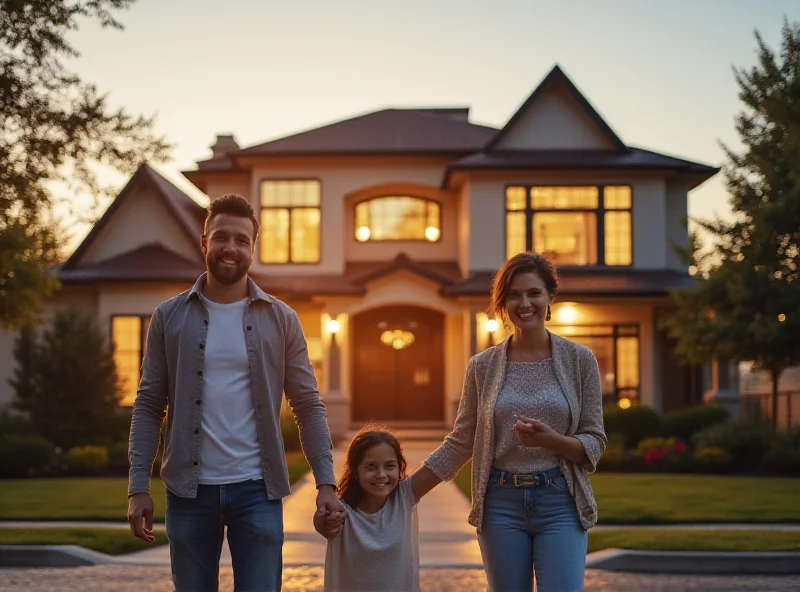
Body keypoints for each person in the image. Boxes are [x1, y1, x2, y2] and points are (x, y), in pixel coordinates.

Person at [126, 193, 343, 592]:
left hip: (257, 490)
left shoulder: (281, 319)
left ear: (253, 249)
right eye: (221, 237)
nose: (231, 248)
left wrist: (325, 483)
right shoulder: (168, 317)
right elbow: (148, 405)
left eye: (242, 240)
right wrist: (138, 485)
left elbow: (308, 405)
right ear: (204, 242)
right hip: (188, 493)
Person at [415, 252, 608, 591]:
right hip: (500, 504)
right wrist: (404, 493)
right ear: (502, 303)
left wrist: (551, 441)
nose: (525, 303)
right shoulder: (482, 366)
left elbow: (594, 441)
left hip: (560, 501)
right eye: (514, 295)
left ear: (550, 297)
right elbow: (462, 440)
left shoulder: (580, 360)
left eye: (534, 293)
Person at [314, 425, 438, 592]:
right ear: (355, 471)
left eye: (389, 466)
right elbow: (323, 522)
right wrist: (322, 521)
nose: (381, 474)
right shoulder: (341, 512)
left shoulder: (405, 495)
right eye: (370, 466)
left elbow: (444, 460)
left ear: (399, 467)